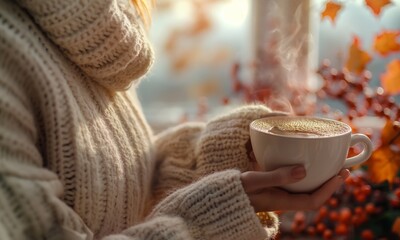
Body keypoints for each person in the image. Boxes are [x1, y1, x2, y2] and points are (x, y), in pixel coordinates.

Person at [0, 0, 350, 239]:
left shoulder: (103, 24)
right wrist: (202, 225)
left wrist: (229, 150)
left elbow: (121, 181)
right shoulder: (9, 49)